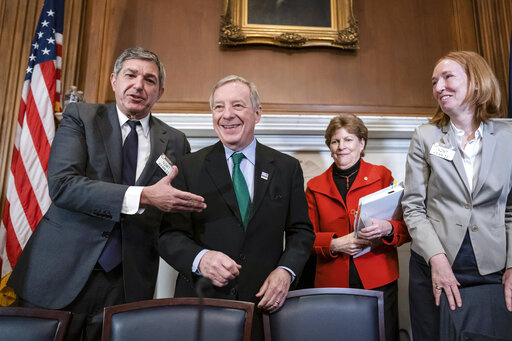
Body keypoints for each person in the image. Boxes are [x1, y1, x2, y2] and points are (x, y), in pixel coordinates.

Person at [8, 47, 206, 340]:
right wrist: (143, 196)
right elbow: (64, 185)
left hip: (127, 283)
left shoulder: (176, 141)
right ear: (114, 80)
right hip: (60, 273)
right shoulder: (81, 117)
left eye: (149, 80)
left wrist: (201, 257)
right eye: (131, 75)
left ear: (160, 92)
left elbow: (171, 217)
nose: (139, 85)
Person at [159, 75, 315, 340]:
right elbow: (168, 236)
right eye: (218, 107)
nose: (227, 115)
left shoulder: (286, 168)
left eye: (237, 105)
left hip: (264, 306)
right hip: (202, 305)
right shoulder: (188, 167)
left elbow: (301, 232)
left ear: (257, 113)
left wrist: (285, 271)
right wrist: (201, 259)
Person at [402, 51, 512, 340]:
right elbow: (413, 208)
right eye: (434, 81)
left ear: (476, 82)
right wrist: (437, 260)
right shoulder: (425, 136)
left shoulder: (508, 136)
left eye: (448, 77)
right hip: (434, 263)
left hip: (492, 267)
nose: (439, 87)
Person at [305, 113, 410, 341]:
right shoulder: (314, 186)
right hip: (332, 281)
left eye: (348, 139)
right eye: (335, 141)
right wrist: (333, 243)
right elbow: (304, 238)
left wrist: (388, 228)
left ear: (362, 144)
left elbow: (406, 228)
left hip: (379, 279)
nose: (341, 146)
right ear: (329, 147)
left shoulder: (382, 176)